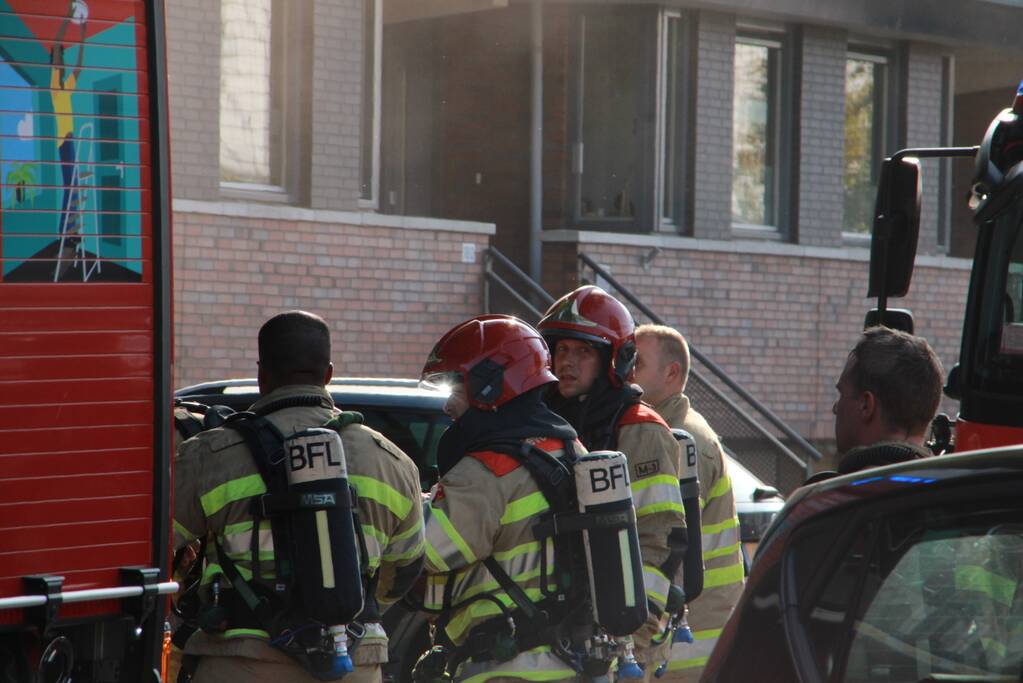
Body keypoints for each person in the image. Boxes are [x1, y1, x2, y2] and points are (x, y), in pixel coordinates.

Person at [173, 311, 425, 682]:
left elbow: (152, 546)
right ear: (329, 374)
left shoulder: (208, 457)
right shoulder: (393, 462)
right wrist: (346, 605)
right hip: (354, 662)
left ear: (262, 374)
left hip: (243, 662)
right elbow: (405, 569)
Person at [417, 315, 590, 682]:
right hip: (571, 659)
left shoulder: (486, 469)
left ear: (489, 386)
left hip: (506, 666)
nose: (447, 407)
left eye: (455, 390)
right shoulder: (569, 447)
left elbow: (426, 551)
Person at [537, 286, 685, 679]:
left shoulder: (639, 428)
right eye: (561, 349)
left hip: (620, 640)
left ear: (613, 360)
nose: (567, 361)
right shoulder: (550, 425)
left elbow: (660, 538)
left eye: (583, 351)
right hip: (562, 630)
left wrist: (630, 633)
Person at [632, 324, 745, 681]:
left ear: (672, 373)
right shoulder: (661, 432)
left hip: (686, 655)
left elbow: (668, 551)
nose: (625, 372)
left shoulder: (683, 441)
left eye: (636, 363)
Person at [829, 326, 944, 475]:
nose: (835, 408)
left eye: (842, 394)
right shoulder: (952, 484)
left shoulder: (850, 488)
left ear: (866, 405)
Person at [50, 2, 87, 252]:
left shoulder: (66, 87)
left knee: (73, 186)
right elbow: (56, 46)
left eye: (63, 59)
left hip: (70, 141)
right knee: (70, 186)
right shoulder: (54, 85)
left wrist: (82, 34)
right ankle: (65, 231)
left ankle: (70, 231)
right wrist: (67, 18)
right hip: (64, 141)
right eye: (59, 59)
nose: (62, 62)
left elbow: (79, 67)